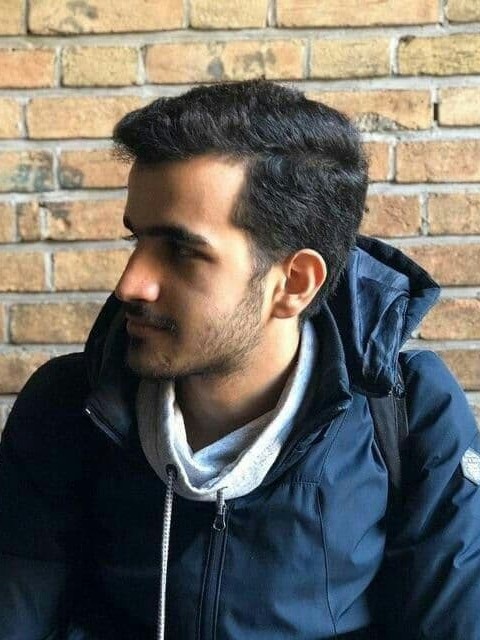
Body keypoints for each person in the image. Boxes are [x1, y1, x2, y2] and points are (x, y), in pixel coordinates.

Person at [0, 80, 479, 640]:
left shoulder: (408, 412)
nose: (130, 284)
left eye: (182, 250)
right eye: (137, 241)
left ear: (294, 283)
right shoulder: (66, 408)